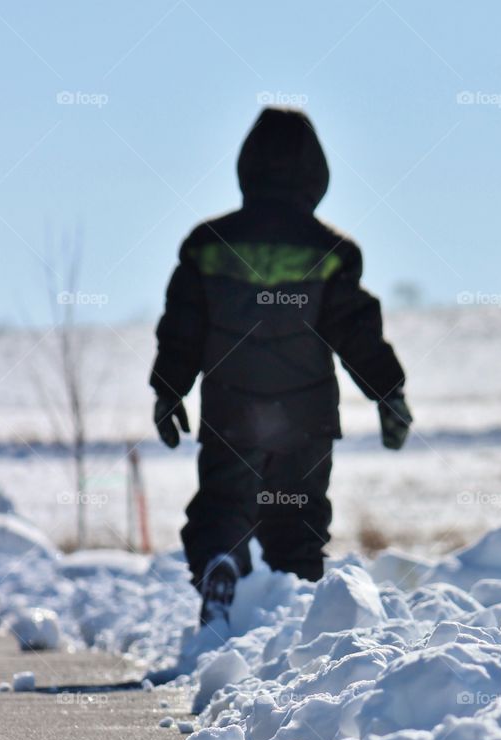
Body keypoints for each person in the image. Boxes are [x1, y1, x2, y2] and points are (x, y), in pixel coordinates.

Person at [150, 107, 411, 627]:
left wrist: (168, 390)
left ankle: (223, 565)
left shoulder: (207, 246)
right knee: (297, 522)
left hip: (231, 409)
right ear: (317, 175)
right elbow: (357, 333)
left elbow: (183, 328)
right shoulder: (332, 251)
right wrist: (389, 394)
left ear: (246, 168)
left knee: (222, 508)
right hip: (306, 417)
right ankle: (296, 629)